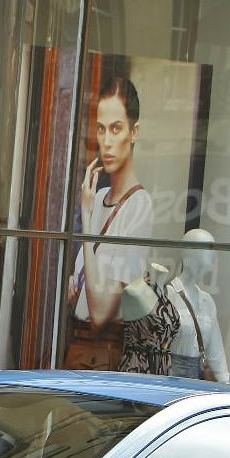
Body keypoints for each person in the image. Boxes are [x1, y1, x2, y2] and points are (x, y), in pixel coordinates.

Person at [65, 74, 154, 371]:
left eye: (116, 128)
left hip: (102, 358)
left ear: (134, 131)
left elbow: (101, 313)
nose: (107, 142)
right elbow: (81, 294)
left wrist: (88, 222)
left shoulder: (139, 206)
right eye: (101, 129)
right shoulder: (100, 195)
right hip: (78, 350)